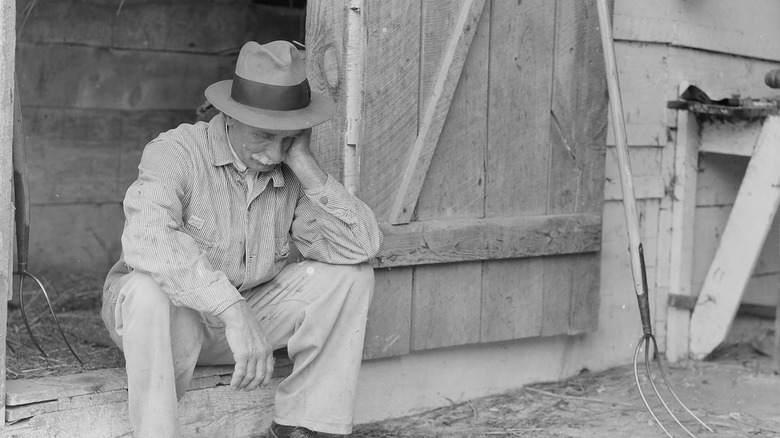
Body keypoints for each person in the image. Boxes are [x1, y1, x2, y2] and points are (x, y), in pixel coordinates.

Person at [101, 40, 383, 438]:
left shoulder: (290, 166)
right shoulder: (175, 151)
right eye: (263, 136)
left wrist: (304, 162)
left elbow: (361, 246)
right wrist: (232, 311)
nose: (272, 154)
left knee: (352, 276)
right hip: (173, 325)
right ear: (229, 117)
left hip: (248, 320)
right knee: (147, 289)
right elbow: (147, 240)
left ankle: (300, 427)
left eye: (287, 138)